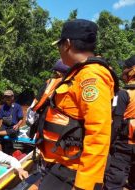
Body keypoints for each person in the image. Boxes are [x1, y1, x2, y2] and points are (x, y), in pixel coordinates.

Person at [32, 19, 118, 190]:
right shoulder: (78, 74)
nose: (59, 50)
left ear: (68, 44)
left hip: (72, 172)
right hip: (60, 165)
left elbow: (98, 134)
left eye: (60, 45)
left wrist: (84, 185)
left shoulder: (91, 78)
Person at [104, 55, 135, 190]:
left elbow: (116, 124)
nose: (123, 71)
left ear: (132, 70)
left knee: (114, 181)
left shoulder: (124, 94)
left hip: (124, 145)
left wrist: (108, 144)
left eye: (125, 67)